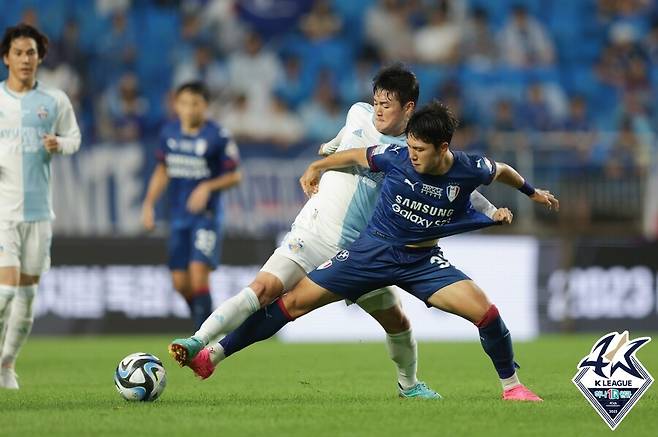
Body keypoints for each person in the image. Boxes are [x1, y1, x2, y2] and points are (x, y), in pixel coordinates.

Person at [169, 65, 508, 399]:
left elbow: (455, 182)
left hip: (363, 250)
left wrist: (491, 211)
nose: (377, 110)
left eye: (386, 105)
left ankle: (409, 384)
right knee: (265, 288)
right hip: (315, 229)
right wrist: (329, 149)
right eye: (375, 102)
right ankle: (200, 343)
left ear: (408, 108)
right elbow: (345, 137)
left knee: (397, 322)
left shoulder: (414, 149)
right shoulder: (358, 113)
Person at [0, 24, 81, 389]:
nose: (25, 59)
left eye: (31, 52)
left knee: (27, 294)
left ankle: (6, 365)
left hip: (39, 213)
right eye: (18, 52)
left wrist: (59, 144)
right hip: (3, 210)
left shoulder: (55, 101)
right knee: (6, 289)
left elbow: (75, 138)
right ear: (6, 58)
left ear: (40, 57)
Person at [141, 81, 241, 329]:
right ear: (176, 105)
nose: (189, 109)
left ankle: (201, 341)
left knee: (198, 276)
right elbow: (162, 170)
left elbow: (235, 175)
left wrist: (207, 186)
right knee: (180, 284)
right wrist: (148, 204)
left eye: (195, 103)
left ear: (205, 106)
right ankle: (207, 322)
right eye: (184, 103)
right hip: (177, 217)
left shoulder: (218, 136)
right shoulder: (169, 133)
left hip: (206, 216)